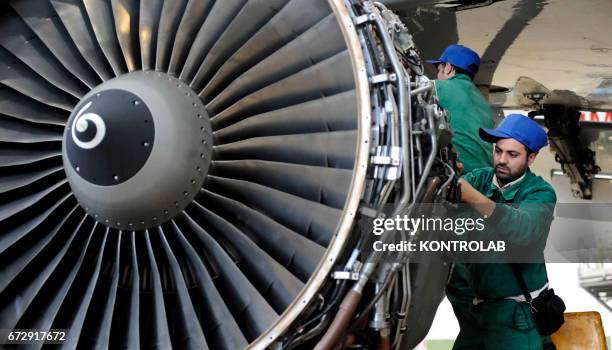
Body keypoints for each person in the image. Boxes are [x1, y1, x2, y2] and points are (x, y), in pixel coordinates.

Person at [456, 114, 557, 350]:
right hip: (477, 316)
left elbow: (523, 229)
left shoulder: (540, 193)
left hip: (517, 319)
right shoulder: (479, 179)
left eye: (512, 154)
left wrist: (471, 197)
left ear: (531, 158)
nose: (501, 160)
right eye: (498, 151)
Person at [426, 44, 494, 349]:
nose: (437, 72)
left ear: (448, 69)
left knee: (460, 281)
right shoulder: (482, 103)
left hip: (460, 197)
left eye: (439, 67)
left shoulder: (439, 88)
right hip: (485, 197)